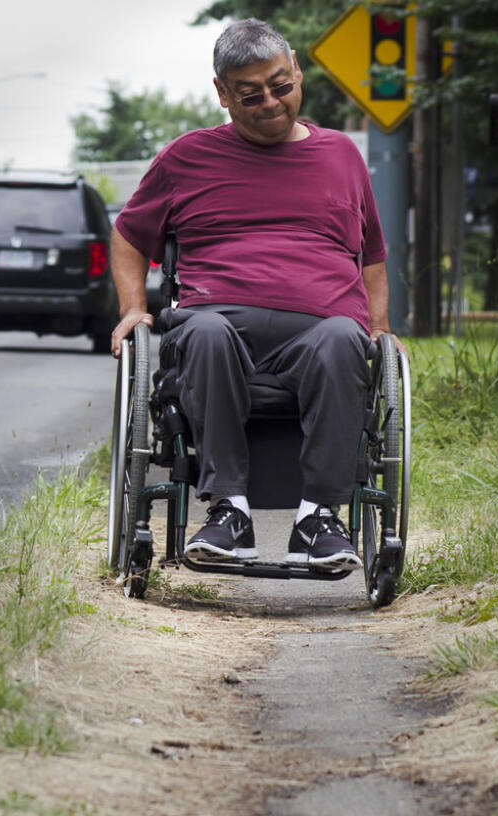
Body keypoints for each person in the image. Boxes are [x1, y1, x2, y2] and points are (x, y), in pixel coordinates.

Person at [109, 18, 398, 572]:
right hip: (216, 323)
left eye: (280, 85)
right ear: (222, 94)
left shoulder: (342, 156)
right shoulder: (185, 158)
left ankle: (318, 518)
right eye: (250, 94)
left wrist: (379, 327)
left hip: (321, 332)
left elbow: (373, 255)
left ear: (298, 74)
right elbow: (127, 236)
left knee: (347, 338)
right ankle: (229, 513)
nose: (270, 102)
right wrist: (133, 310)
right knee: (202, 330)